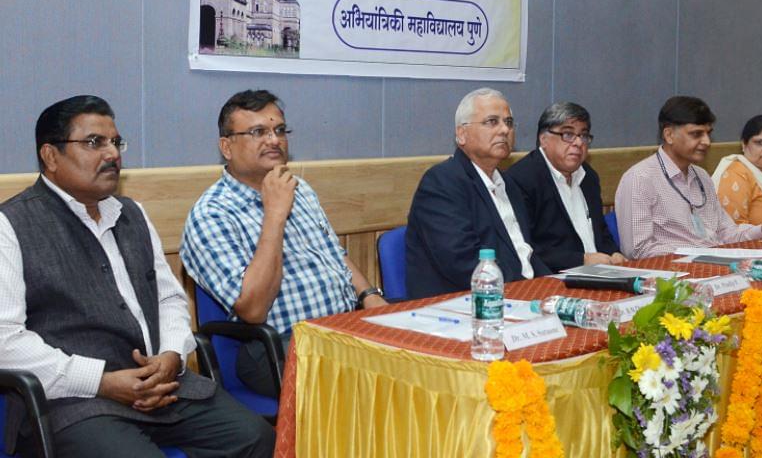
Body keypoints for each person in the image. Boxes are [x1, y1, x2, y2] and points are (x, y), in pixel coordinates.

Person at [0, 95, 274, 458]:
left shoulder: (132, 214)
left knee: (256, 437)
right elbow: (5, 341)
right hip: (72, 402)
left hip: (160, 386)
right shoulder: (10, 226)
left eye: (116, 142)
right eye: (94, 142)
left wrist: (171, 355)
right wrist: (100, 381)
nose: (112, 154)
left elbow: (169, 298)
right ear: (51, 156)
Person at [180, 90, 386, 398]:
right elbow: (253, 310)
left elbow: (334, 252)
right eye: (258, 132)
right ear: (227, 147)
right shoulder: (211, 214)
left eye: (279, 130)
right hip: (275, 347)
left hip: (342, 328)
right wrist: (274, 215)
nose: (274, 140)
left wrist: (369, 296)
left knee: (418, 356)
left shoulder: (300, 189)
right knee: (378, 381)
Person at [615, 96, 762, 259]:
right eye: (696, 134)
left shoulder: (701, 176)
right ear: (669, 135)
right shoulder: (640, 179)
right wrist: (700, 254)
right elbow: (638, 249)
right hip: (671, 277)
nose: (707, 142)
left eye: (708, 133)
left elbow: (726, 232)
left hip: (712, 266)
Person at [405, 88, 551, 299]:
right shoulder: (442, 182)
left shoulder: (509, 183)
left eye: (509, 122)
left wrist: (553, 287)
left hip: (519, 295)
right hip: (465, 303)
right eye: (492, 122)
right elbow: (463, 264)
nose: (504, 130)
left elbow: (526, 253)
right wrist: (528, 291)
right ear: (461, 134)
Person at [506, 102, 624, 271]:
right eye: (568, 134)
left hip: (600, 274)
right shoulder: (522, 179)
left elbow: (601, 232)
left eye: (583, 135)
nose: (579, 142)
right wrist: (581, 260)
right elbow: (526, 248)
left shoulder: (588, 176)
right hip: (554, 278)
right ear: (544, 139)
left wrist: (614, 253)